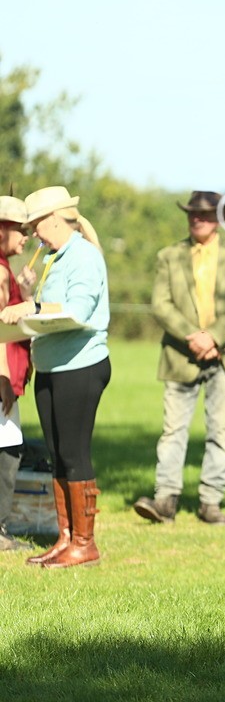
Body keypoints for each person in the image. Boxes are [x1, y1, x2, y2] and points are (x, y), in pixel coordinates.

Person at [134, 191, 225, 526]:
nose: (196, 219)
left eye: (204, 214)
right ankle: (165, 500)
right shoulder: (169, 256)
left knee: (222, 431)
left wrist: (214, 336)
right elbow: (161, 304)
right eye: (192, 213)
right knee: (172, 430)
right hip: (181, 354)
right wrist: (193, 336)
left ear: (219, 219)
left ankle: (210, 502)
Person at [0, 186, 110, 569]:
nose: (33, 233)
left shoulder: (84, 256)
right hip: (51, 367)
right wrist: (32, 297)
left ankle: (85, 543)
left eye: (35, 225)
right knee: (57, 455)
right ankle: (66, 538)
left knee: (74, 455)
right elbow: (49, 306)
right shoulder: (54, 257)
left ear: (53, 219)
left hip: (79, 367)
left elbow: (78, 310)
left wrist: (29, 307)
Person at [0, 196, 32, 552]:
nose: (26, 237)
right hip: (2, 380)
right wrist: (4, 378)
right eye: (19, 229)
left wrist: (25, 293)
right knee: (7, 453)